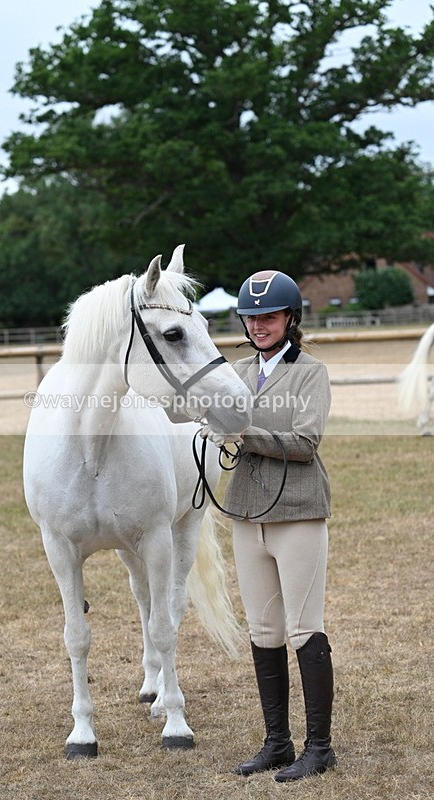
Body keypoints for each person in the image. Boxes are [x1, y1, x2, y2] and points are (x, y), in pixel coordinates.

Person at [202, 269, 337, 782]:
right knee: (263, 630)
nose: (259, 324)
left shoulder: (310, 373)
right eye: (252, 317)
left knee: (304, 629)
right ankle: (277, 742)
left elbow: (305, 442)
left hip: (298, 511)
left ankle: (319, 747)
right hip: (247, 513)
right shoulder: (233, 371)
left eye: (269, 316)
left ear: (289, 319)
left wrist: (238, 429)